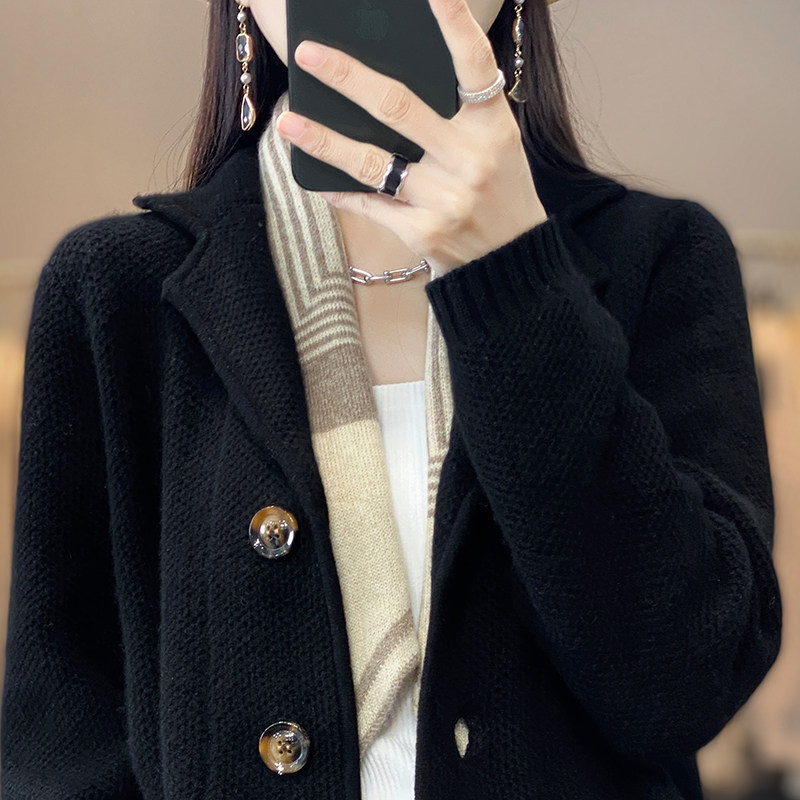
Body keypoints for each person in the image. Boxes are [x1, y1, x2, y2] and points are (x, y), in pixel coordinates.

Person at [0, 0, 782, 797]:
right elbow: (60, 754)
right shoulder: (113, 292)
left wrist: (516, 277)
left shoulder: (662, 257)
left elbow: (686, 684)